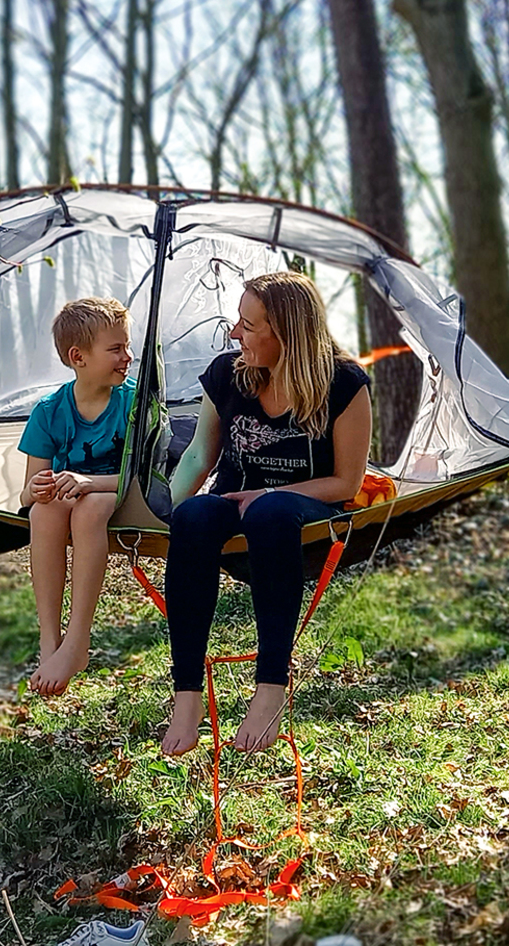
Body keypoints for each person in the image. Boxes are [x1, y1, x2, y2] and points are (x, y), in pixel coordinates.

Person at [161, 271, 372, 755]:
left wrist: (267, 494)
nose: (236, 333)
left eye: (249, 324)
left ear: (287, 332)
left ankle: (270, 687)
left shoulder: (344, 383)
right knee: (193, 517)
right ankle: (187, 695)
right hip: (234, 505)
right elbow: (198, 457)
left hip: (306, 516)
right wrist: (163, 513)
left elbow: (347, 483)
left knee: (271, 510)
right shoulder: (228, 374)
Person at [18, 298, 136, 697]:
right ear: (78, 357)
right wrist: (36, 490)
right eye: (116, 349)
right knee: (44, 513)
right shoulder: (49, 411)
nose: (128, 357)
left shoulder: (135, 403)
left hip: (121, 495)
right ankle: (49, 640)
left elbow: (147, 479)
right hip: (77, 497)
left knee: (88, 510)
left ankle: (77, 641)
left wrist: (89, 483)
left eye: (127, 346)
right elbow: (29, 489)